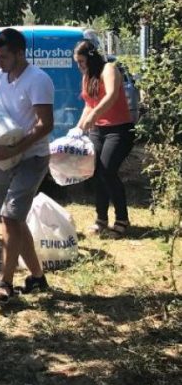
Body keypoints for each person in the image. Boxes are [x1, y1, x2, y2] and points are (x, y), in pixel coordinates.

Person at [0, 28, 54, 304]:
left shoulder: (38, 80)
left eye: (3, 57)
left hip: (32, 158)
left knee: (11, 217)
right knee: (11, 219)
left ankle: (5, 283)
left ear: (20, 53)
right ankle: (37, 278)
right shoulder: (1, 77)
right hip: (4, 159)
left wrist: (15, 148)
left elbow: (45, 124)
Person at [73, 39, 135, 238]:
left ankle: (122, 220)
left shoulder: (108, 69)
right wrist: (78, 128)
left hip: (119, 130)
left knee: (108, 171)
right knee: (96, 171)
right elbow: (88, 105)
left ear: (91, 58)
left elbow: (110, 97)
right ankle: (101, 220)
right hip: (98, 131)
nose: (80, 66)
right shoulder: (87, 76)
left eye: (82, 62)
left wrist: (94, 115)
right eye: (78, 63)